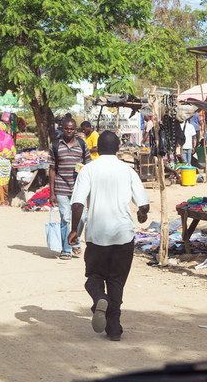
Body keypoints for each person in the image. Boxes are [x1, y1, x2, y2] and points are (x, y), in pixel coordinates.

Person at [68, 131, 149, 341]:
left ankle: (99, 298)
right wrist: (141, 214)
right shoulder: (127, 170)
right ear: (117, 149)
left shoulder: (88, 169)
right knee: (117, 281)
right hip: (123, 235)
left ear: (97, 148)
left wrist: (74, 229)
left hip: (97, 235)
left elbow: (77, 204)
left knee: (93, 277)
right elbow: (144, 204)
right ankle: (114, 328)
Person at [49, 118, 91, 259]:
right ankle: (66, 250)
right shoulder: (55, 145)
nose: (69, 131)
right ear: (62, 128)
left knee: (82, 218)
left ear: (75, 129)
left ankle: (75, 239)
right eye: (67, 128)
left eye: (72, 129)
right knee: (66, 219)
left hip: (79, 189)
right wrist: (52, 193)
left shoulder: (82, 144)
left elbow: (89, 165)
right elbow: (52, 169)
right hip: (61, 187)